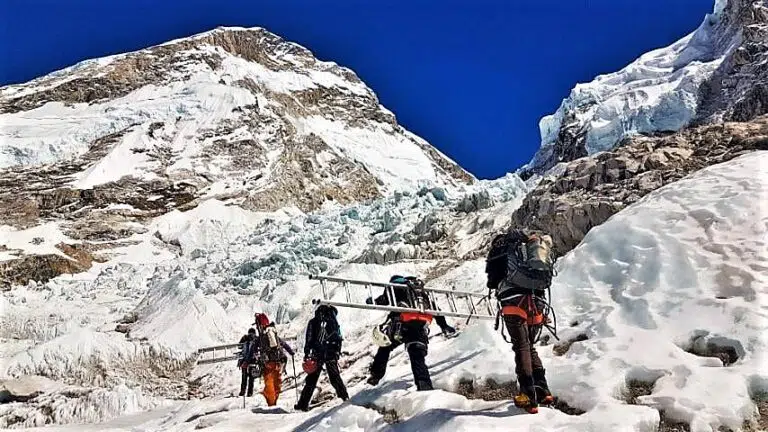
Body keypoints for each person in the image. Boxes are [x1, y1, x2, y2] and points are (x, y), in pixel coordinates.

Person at [485, 229, 555, 414]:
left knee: (521, 346)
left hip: (513, 301)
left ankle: (528, 395)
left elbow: (492, 282)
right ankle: (543, 390)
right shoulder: (527, 250)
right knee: (529, 346)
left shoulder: (500, 251)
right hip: (537, 301)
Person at [365, 275, 457, 391]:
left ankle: (376, 375)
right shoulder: (419, 292)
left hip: (403, 325)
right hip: (421, 325)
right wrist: (444, 326)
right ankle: (424, 385)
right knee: (417, 355)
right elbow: (435, 310)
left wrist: (373, 301)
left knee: (385, 347)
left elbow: (385, 299)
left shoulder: (395, 287)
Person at [294, 305, 349, 411]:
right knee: (334, 377)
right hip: (331, 352)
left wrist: (307, 353)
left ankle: (302, 405)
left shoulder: (314, 321)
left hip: (317, 353)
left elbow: (309, 338)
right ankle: (345, 397)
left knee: (311, 380)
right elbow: (338, 337)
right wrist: (337, 352)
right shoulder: (333, 321)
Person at [253, 313, 295, 406]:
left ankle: (271, 404)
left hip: (268, 363)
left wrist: (250, 360)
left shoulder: (261, 337)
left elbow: (254, 350)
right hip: (278, 362)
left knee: (269, 385)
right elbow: (283, 344)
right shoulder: (273, 333)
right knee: (276, 383)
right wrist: (291, 352)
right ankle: (273, 402)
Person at [237, 327, 259, 397]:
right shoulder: (256, 339)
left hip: (244, 360)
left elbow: (239, 346)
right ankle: (249, 393)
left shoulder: (245, 338)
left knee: (244, 377)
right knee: (251, 378)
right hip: (253, 361)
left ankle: (242, 391)